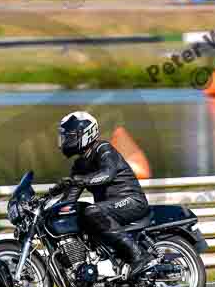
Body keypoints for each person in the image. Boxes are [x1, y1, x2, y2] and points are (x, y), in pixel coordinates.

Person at [50, 111, 155, 275]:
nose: (65, 141)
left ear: (84, 134)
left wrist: (82, 180)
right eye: (65, 137)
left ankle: (138, 256)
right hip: (110, 209)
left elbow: (107, 173)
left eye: (69, 136)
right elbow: (68, 199)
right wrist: (47, 209)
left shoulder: (103, 149)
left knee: (92, 210)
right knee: (77, 215)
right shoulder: (80, 164)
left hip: (131, 201)